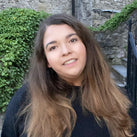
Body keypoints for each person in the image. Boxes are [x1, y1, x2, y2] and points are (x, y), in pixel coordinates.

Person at [1, 14, 137, 137]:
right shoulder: (24, 101)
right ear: (47, 61)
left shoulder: (120, 100)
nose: (65, 51)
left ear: (86, 45)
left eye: (72, 40)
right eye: (53, 47)